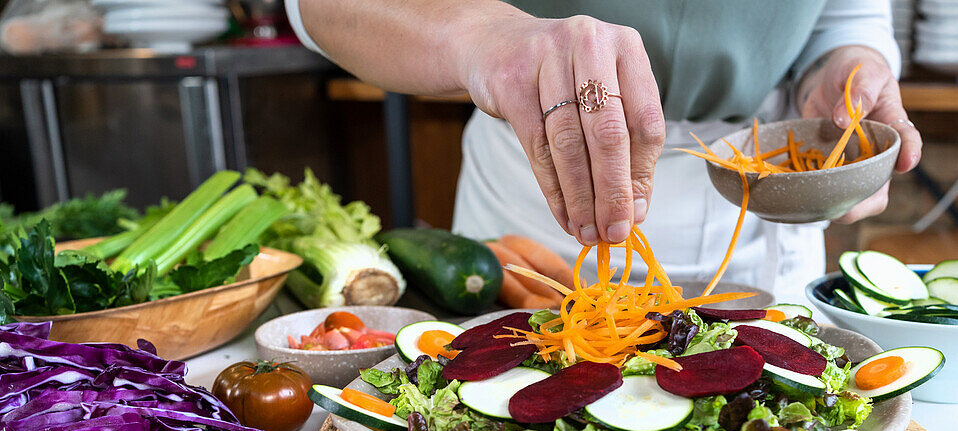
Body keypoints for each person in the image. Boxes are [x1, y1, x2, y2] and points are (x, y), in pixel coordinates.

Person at [285, 0, 921, 302]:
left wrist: (848, 67)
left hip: (759, 204)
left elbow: (844, 17)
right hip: (533, 216)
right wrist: (488, 37)